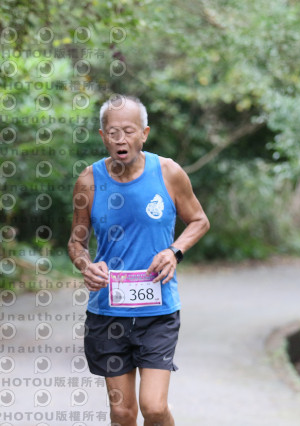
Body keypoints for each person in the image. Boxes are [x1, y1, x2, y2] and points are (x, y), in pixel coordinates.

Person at [68, 94, 209, 426]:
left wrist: (174, 251)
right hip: (108, 312)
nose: (121, 139)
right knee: (122, 412)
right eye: (113, 132)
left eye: (129, 131)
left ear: (144, 133)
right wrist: (86, 266)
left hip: (157, 312)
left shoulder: (168, 172)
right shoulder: (89, 180)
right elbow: (77, 241)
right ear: (103, 136)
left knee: (154, 408)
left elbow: (199, 220)